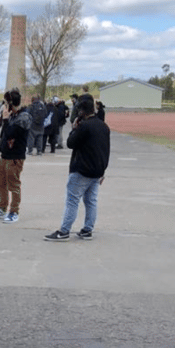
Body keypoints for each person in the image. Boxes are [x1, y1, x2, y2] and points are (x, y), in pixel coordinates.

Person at [45, 94, 111, 241]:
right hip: (96, 171)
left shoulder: (84, 127)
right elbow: (106, 150)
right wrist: (103, 170)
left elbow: (70, 143)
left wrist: (74, 129)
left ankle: (64, 231)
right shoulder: (103, 126)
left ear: (81, 111)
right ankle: (88, 229)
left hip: (81, 169)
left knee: (72, 201)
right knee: (91, 201)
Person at [0, 89, 30, 223]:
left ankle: (14, 211)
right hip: (5, 154)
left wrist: (6, 119)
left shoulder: (23, 117)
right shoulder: (11, 115)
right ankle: (2, 207)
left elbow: (11, 133)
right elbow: (3, 134)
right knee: (1, 183)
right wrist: (4, 118)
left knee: (14, 184)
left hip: (15, 157)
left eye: (6, 103)